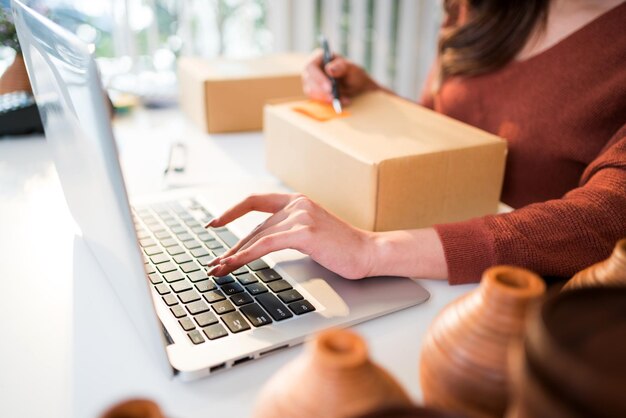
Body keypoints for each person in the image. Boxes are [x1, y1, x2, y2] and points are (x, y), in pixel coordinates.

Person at [207, 0, 626, 285]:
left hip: (506, 289)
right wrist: (370, 93)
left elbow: (605, 217)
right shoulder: (478, 7)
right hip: (422, 245)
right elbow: (446, 127)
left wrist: (373, 251)